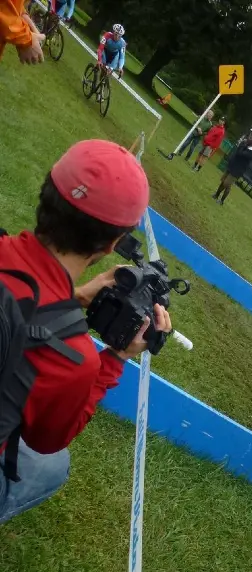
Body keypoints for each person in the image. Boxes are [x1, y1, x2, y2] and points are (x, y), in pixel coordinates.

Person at [0, 139, 171, 524]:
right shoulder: (70, 358)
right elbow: (46, 441)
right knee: (52, 465)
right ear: (111, 245)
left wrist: (72, 297)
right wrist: (114, 359)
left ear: (47, 193)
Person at [211, 133, 252, 203]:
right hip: (232, 166)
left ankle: (221, 201)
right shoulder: (247, 146)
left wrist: (242, 144)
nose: (248, 139)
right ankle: (216, 195)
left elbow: (240, 153)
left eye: (250, 139)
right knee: (223, 181)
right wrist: (243, 144)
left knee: (227, 184)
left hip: (237, 171)